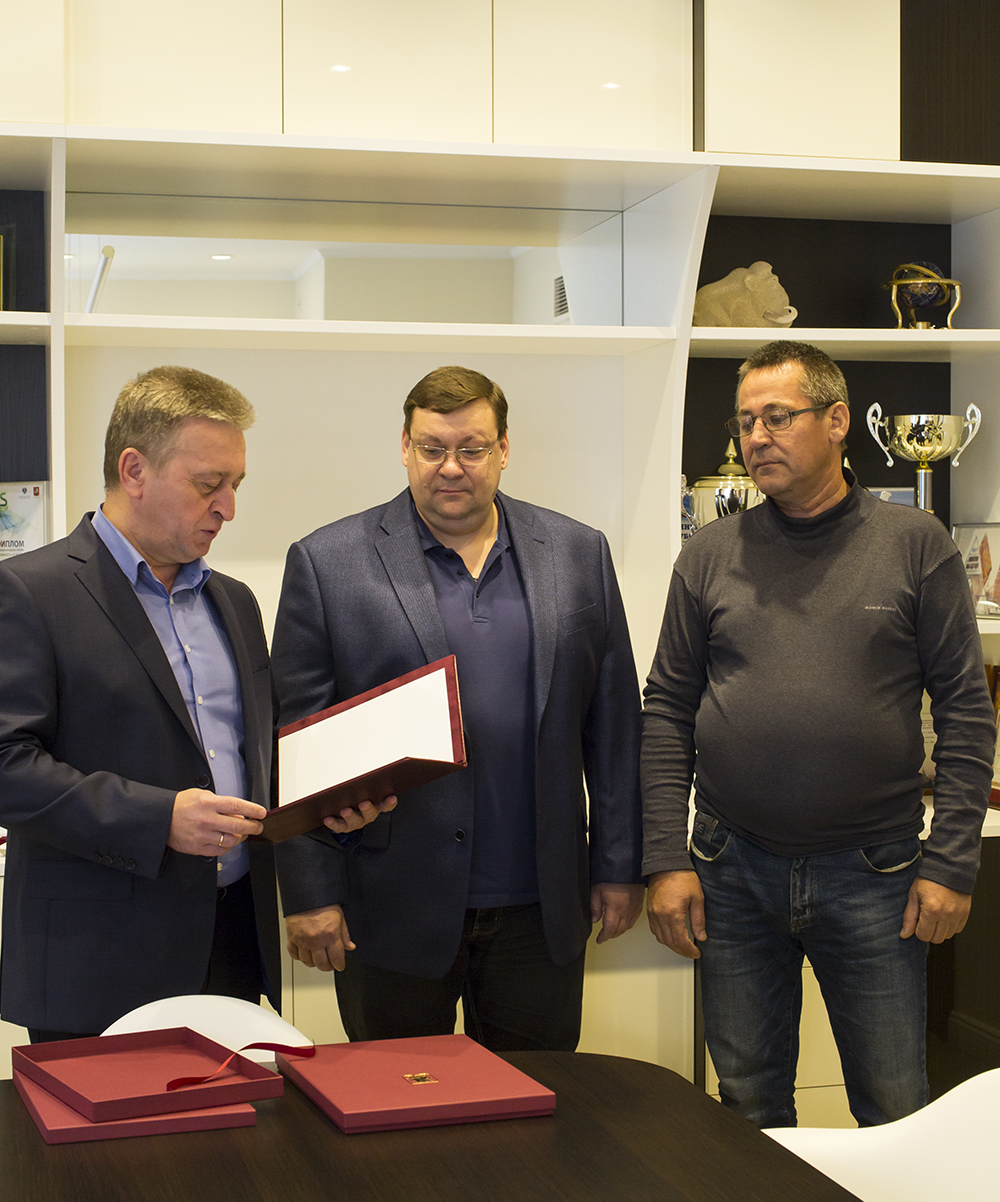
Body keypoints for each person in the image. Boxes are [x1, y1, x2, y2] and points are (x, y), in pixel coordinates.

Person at [642, 340, 996, 1128]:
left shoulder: (915, 543)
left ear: (837, 421)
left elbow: (967, 711)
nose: (756, 437)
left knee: (893, 1106)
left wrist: (953, 863)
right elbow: (665, 708)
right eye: (745, 422)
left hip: (875, 873)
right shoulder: (709, 554)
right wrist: (665, 858)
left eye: (778, 417)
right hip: (731, 869)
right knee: (748, 1104)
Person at [271, 365, 644, 1052]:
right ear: (404, 447)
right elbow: (295, 741)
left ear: (504, 449)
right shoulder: (328, 563)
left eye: (471, 449)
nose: (451, 467)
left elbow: (615, 725)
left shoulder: (577, 552)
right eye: (432, 448)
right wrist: (310, 892)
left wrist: (618, 865)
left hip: (540, 907)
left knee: (535, 1101)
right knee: (397, 1106)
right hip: (391, 906)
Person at [0, 366, 288, 1040]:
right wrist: (157, 819)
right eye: (208, 484)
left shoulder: (236, 602)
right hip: (97, 958)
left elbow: (256, 753)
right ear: (133, 470)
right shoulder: (27, 592)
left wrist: (334, 801)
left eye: (236, 485)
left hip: (230, 943)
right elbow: (7, 766)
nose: (228, 508)